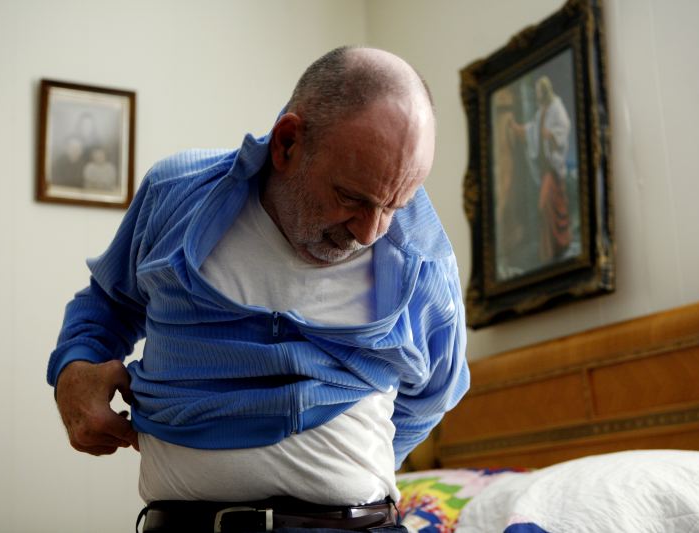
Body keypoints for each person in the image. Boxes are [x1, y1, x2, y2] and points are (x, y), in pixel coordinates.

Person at [47, 46, 470, 533]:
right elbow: (108, 304)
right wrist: (73, 368)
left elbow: (434, 392)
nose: (370, 231)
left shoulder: (423, 259)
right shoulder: (175, 195)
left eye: (395, 205)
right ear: (287, 144)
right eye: (351, 198)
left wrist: (342, 471)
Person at [508, 75, 572, 263]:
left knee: (546, 205)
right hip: (546, 169)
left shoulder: (556, 108)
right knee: (548, 207)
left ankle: (557, 246)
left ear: (545, 91)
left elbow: (564, 128)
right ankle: (550, 251)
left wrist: (551, 135)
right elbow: (532, 130)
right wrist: (516, 128)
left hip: (553, 168)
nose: (537, 95)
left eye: (539, 92)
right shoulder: (542, 111)